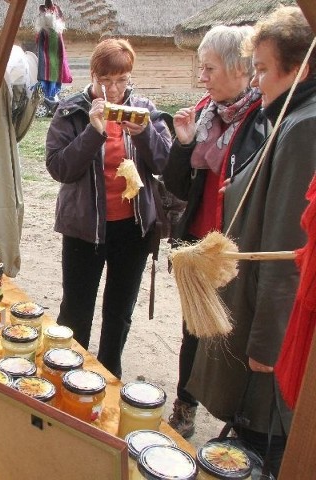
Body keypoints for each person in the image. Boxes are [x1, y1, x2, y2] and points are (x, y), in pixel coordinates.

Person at [186, 7, 316, 475]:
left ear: (300, 68)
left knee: (266, 436)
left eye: (262, 70)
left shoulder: (304, 127)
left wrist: (267, 344)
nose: (255, 82)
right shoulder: (289, 116)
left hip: (276, 329)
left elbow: (289, 247)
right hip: (267, 315)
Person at [162, 25, 268, 439]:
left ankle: (235, 420)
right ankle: (185, 404)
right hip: (197, 245)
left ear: (241, 69)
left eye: (209, 67)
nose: (201, 77)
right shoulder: (205, 110)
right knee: (194, 329)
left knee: (233, 336)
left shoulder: (263, 118)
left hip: (234, 250)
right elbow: (174, 184)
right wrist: (184, 144)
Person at [45, 38, 172, 379]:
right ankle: (69, 372)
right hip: (85, 228)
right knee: (77, 309)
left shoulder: (144, 110)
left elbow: (164, 162)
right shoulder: (71, 110)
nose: (114, 90)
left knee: (119, 312)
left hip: (132, 228)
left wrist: (144, 134)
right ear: (94, 75)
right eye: (107, 80)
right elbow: (59, 168)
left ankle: (109, 372)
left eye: (122, 80)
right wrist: (93, 132)